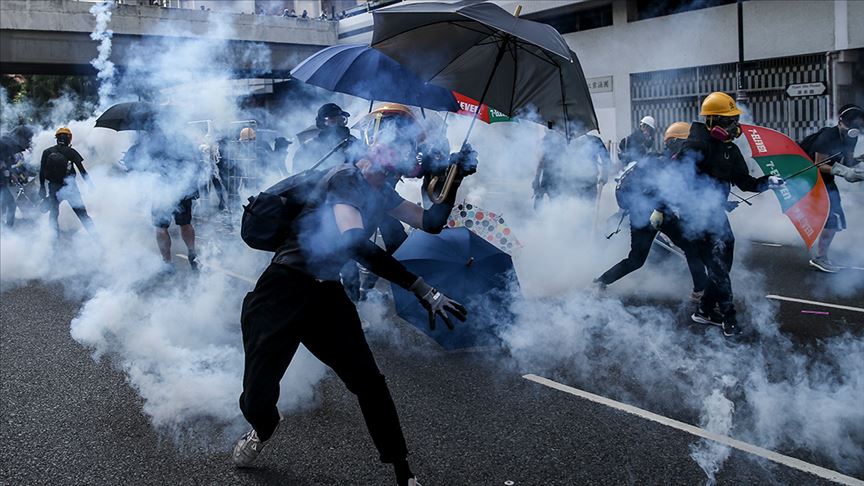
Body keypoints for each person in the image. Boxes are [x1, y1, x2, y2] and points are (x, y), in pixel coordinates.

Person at [232, 111, 478, 486]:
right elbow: (354, 242)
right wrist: (421, 288)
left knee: (369, 383)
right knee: (257, 398)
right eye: (392, 144)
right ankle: (263, 428)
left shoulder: (382, 193)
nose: (399, 154)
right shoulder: (344, 178)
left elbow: (430, 222)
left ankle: (404, 474)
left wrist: (454, 180)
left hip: (325, 295)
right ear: (372, 148)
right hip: (281, 290)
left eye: (405, 147)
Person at [679, 92, 784, 337]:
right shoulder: (695, 146)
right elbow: (679, 182)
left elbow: (745, 182)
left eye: (734, 120)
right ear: (711, 121)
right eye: (728, 121)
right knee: (719, 269)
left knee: (724, 264)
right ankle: (729, 317)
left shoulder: (731, 150)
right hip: (697, 217)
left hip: (716, 215)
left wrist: (768, 182)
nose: (734, 126)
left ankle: (704, 310)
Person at [594, 122, 707, 299]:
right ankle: (701, 291)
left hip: (646, 214)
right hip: (650, 213)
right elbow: (661, 192)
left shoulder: (662, 160)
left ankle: (601, 282)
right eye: (687, 143)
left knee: (637, 260)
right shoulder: (665, 163)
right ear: (676, 143)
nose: (690, 148)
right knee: (688, 246)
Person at [128, 127, 199, 271]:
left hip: (162, 189)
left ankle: (167, 263)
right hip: (183, 188)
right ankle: (192, 254)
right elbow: (194, 163)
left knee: (161, 228)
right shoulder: (181, 138)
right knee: (185, 223)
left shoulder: (150, 145)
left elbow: (137, 165)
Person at [805, 104, 864, 272]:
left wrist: (859, 161)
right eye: (853, 123)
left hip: (827, 180)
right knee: (833, 218)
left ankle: (821, 256)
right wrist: (844, 171)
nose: (855, 128)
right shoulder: (828, 136)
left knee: (834, 219)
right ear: (842, 121)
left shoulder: (852, 137)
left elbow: (848, 161)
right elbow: (818, 164)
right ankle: (820, 258)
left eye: (859, 124)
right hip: (811, 180)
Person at [39, 127, 96, 234]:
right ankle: (97, 239)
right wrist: (90, 184)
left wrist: (42, 187)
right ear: (69, 138)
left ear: (57, 138)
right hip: (70, 187)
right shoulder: (71, 152)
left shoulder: (47, 152)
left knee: (53, 215)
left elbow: (42, 172)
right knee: (83, 215)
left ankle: (53, 242)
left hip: (54, 188)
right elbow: (82, 171)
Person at [293, 103, 357, 173]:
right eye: (333, 121)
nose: (339, 123)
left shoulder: (351, 141)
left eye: (342, 119)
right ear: (322, 123)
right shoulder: (308, 147)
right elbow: (298, 176)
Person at [0, 125, 34, 227]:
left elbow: (8, 170)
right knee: (10, 205)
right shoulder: (5, 144)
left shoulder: (7, 152)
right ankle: (7, 229)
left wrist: (16, 180)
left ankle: (6, 229)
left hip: (3, 183)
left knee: (8, 205)